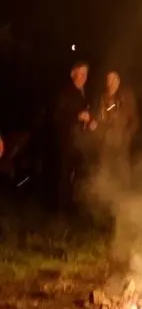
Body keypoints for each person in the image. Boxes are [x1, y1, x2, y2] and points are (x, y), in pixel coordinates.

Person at [53, 61, 95, 211]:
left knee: (79, 176)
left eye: (85, 74)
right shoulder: (65, 93)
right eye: (81, 73)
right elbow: (56, 116)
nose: (84, 76)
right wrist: (76, 116)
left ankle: (76, 206)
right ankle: (61, 211)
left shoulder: (85, 93)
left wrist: (91, 122)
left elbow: (89, 115)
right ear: (73, 75)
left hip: (81, 142)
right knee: (64, 176)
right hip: (67, 142)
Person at [95, 70, 138, 192]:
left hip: (121, 142)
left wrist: (128, 135)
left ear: (119, 81)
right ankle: (105, 199)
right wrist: (100, 132)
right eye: (109, 79)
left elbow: (134, 119)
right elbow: (98, 118)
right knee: (105, 172)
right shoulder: (102, 98)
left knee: (123, 174)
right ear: (106, 82)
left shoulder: (126, 96)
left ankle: (124, 199)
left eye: (115, 79)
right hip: (106, 143)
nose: (112, 82)